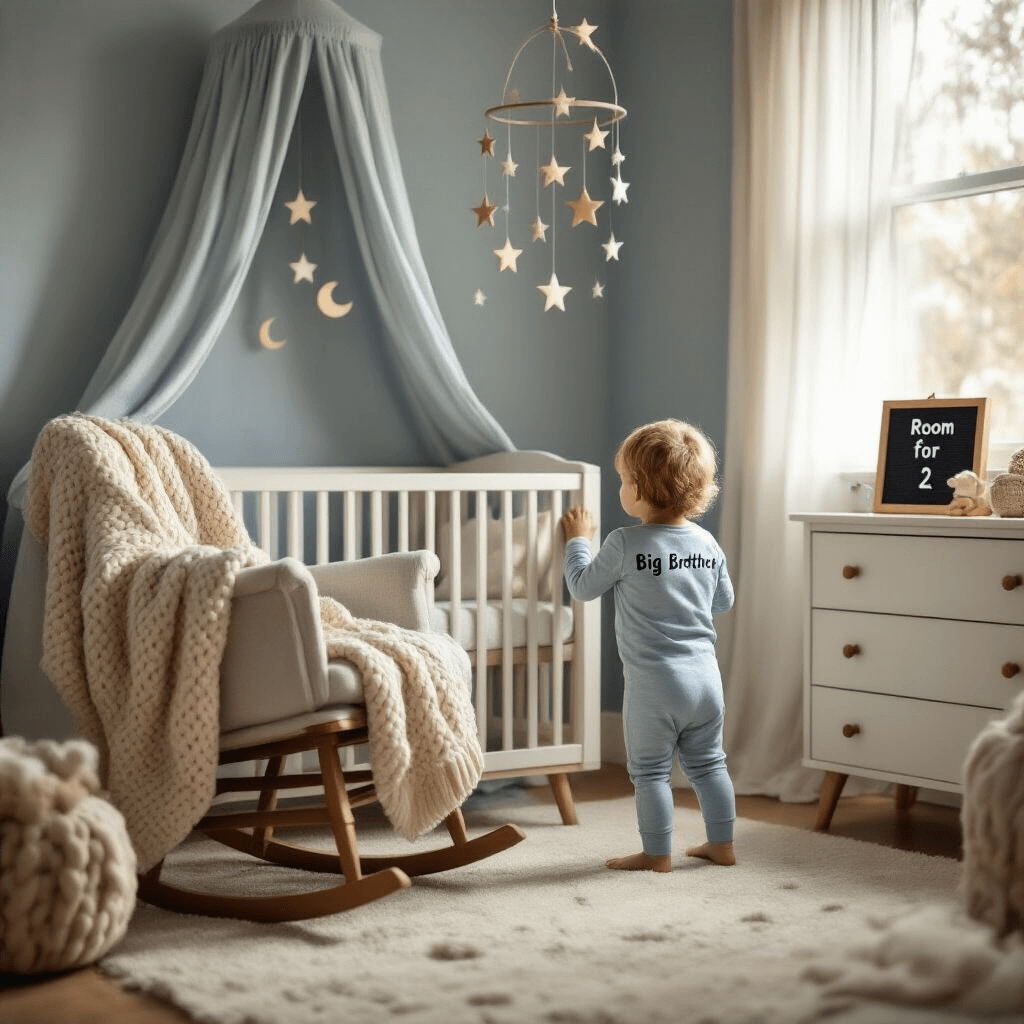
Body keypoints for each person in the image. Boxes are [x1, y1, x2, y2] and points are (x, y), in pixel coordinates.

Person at [561, 419, 736, 872]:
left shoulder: (623, 542)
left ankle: (656, 854)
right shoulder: (707, 542)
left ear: (638, 489)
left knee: (651, 773)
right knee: (710, 766)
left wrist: (577, 542)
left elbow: (582, 587)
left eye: (623, 479)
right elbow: (724, 601)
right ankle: (722, 844)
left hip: (655, 685)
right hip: (706, 682)